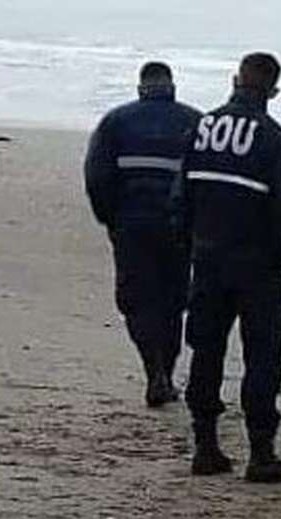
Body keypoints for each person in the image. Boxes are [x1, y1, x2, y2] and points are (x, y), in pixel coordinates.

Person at [181, 53, 281, 481]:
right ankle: (261, 453)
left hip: (208, 259)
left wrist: (192, 244)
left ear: (235, 80)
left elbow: (180, 197)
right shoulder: (276, 141)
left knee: (206, 349)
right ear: (273, 91)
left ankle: (205, 445)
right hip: (258, 268)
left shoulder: (200, 128)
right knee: (263, 357)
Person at [83, 62, 202, 407]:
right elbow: (206, 178)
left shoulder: (115, 121)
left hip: (131, 225)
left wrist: (110, 220)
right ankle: (165, 369)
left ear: (140, 88)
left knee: (136, 299)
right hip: (179, 227)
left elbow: (97, 177)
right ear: (172, 87)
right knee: (173, 300)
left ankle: (155, 372)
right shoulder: (195, 122)